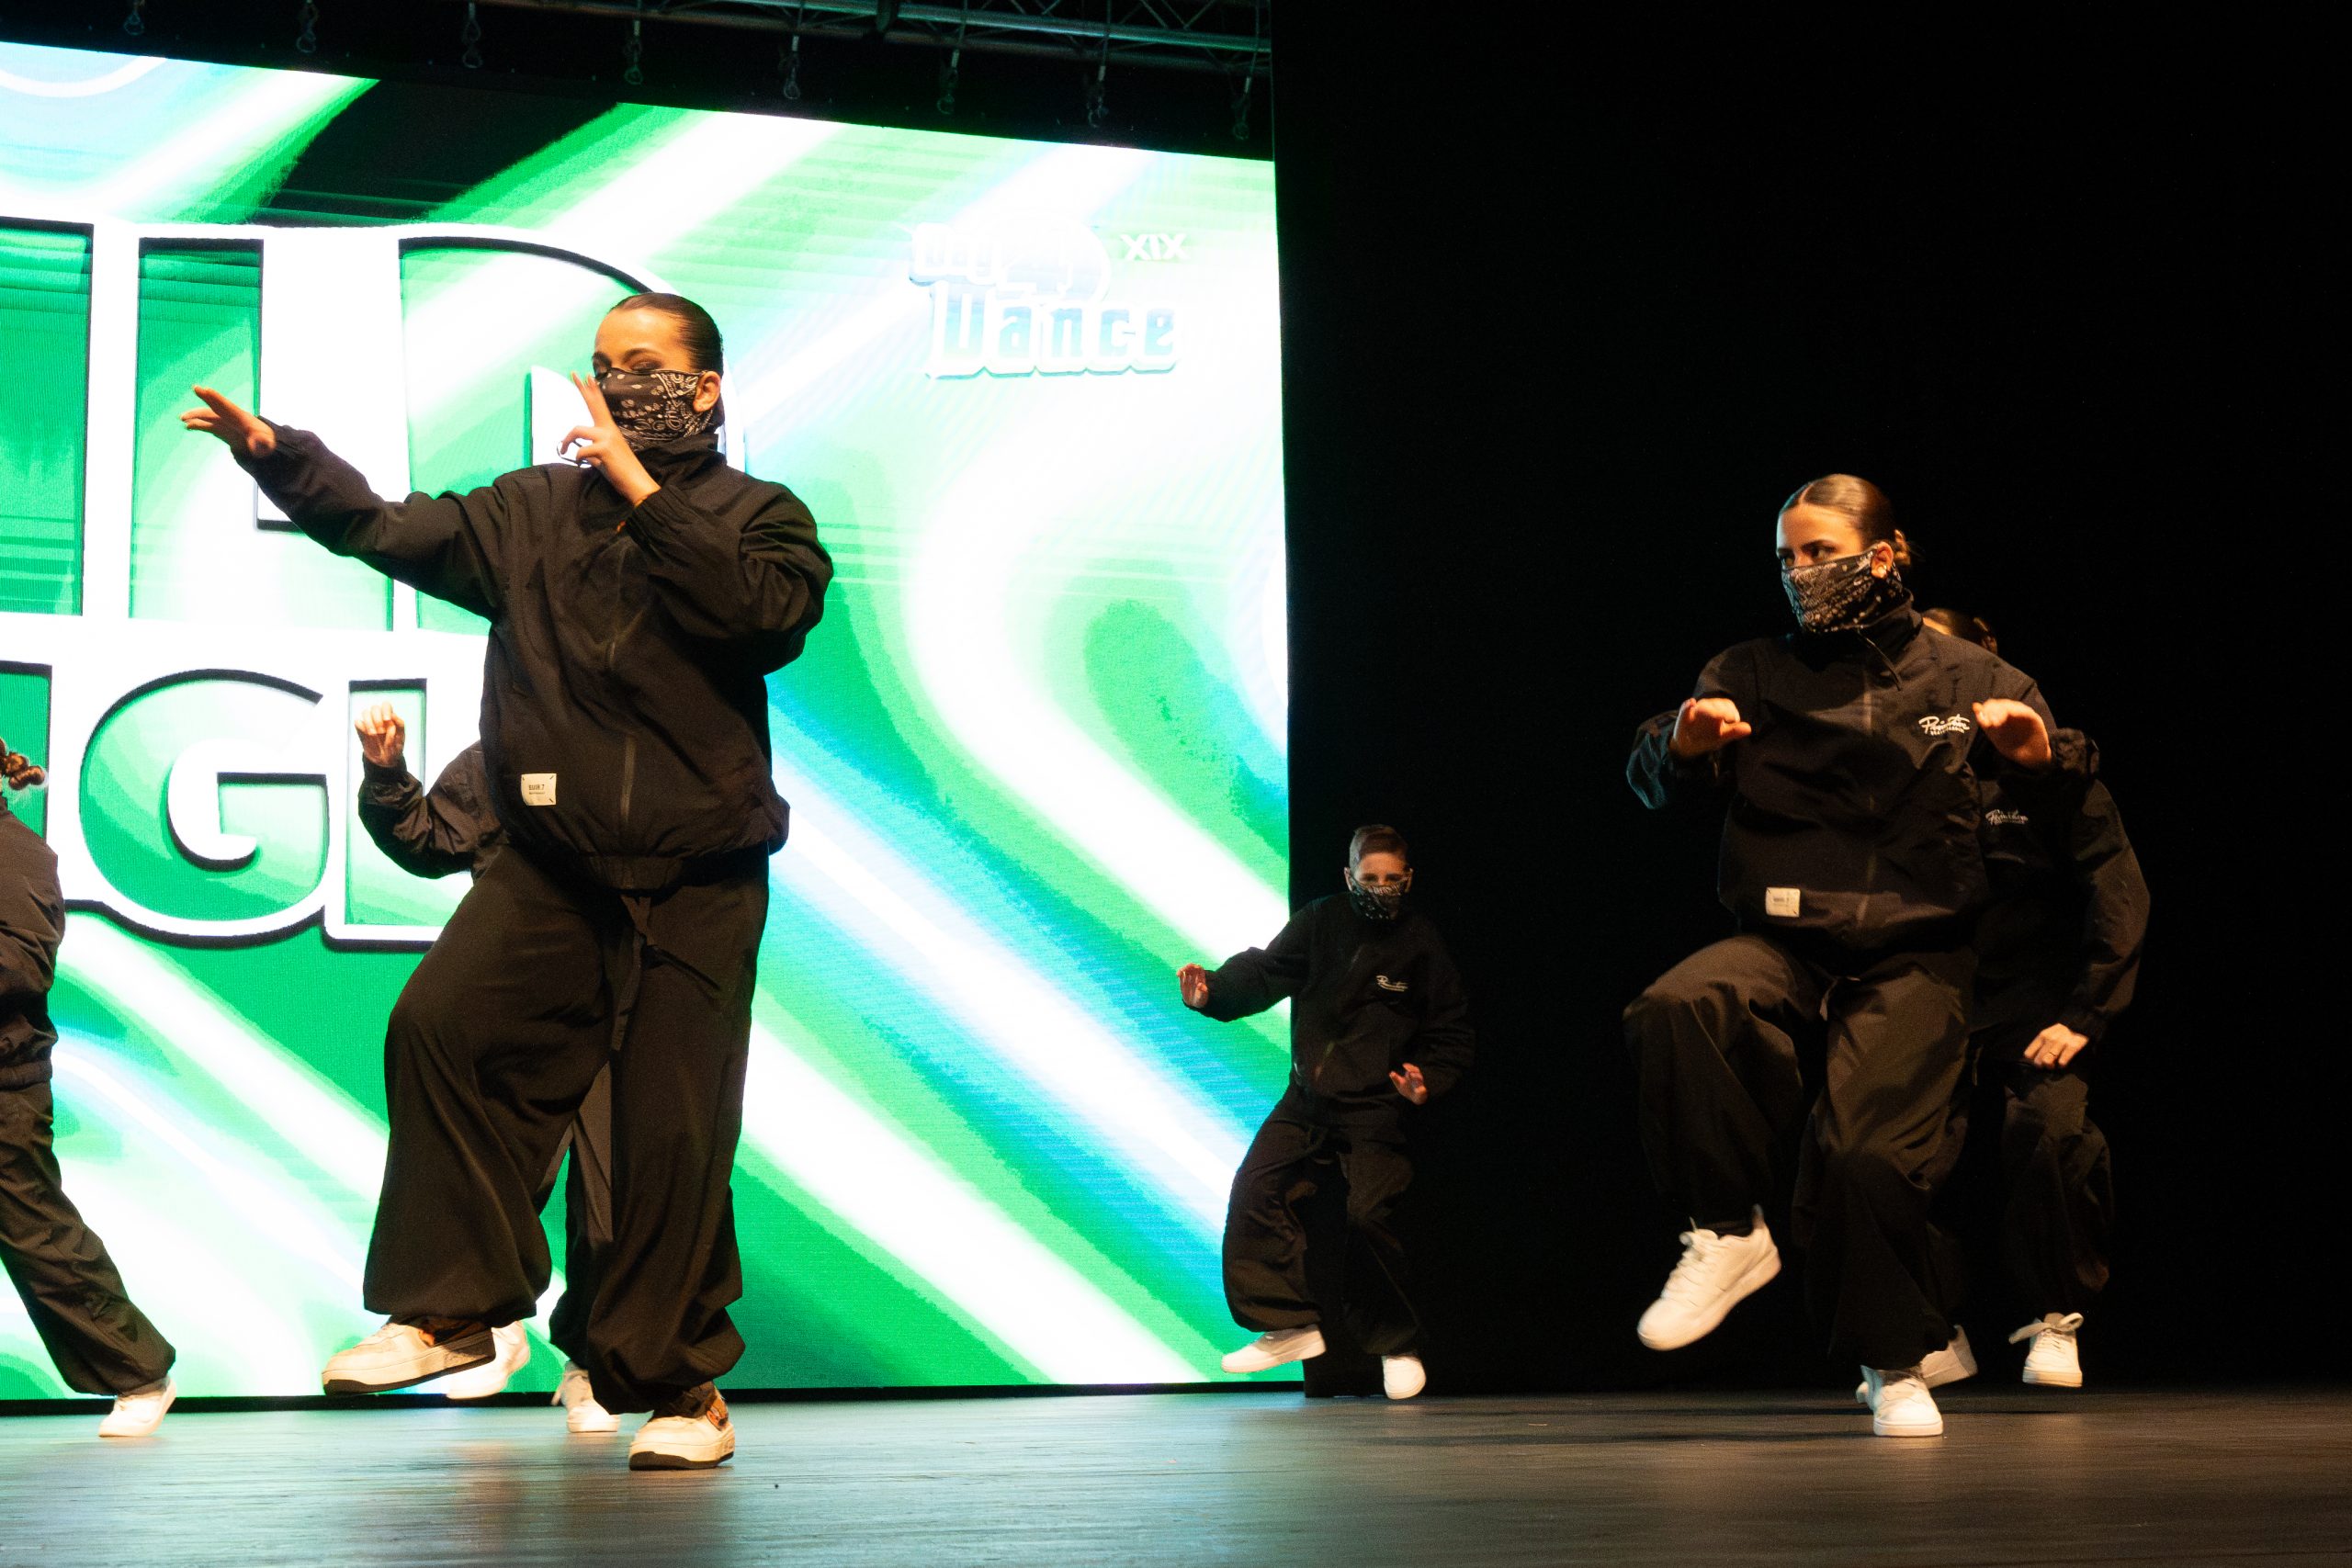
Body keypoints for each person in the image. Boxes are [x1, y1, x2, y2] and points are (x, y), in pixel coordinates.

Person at [183, 291, 831, 1471]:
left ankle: (682, 1391)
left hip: (699, 880)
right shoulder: (532, 511)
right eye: (602, 364)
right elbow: (385, 527)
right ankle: (453, 1314)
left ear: (706, 387)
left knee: (668, 1139)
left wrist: (643, 494)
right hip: (554, 868)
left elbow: (760, 619)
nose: (616, 384)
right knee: (442, 1029)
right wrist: (282, 459)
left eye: (643, 364)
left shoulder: (761, 517)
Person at [1623, 474, 2074, 1438]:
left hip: (1917, 955)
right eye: (1786, 557)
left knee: (1862, 1157)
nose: (1800, 573)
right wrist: (1682, 748)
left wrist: (2039, 768)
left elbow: (2063, 822)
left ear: (1885, 553)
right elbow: (1655, 779)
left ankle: (1894, 1362)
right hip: (1788, 940)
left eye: (1819, 552)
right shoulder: (1751, 670)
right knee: (1677, 1005)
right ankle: (1728, 1231)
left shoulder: (1974, 679)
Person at [351, 703, 617, 1435]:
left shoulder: (637, 751)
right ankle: (486, 1321)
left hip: (617, 995)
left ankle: (590, 1355)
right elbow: (428, 835)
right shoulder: (502, 756)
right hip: (520, 1003)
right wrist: (386, 773)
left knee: (612, 1200)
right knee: (489, 1172)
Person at [1920, 607, 2146, 1389]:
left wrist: (2087, 1011)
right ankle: (1929, 1331)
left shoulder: (2051, 771)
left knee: (2048, 1132)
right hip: (1933, 995)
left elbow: (2118, 893)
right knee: (1890, 1152)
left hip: (2036, 998)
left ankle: (2056, 1318)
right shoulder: (1906, 767)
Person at [1180, 825, 1474, 1401]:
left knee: (1368, 1217)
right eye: (1369, 878)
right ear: (1349, 876)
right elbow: (1264, 972)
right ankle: (1289, 1327)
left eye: (1391, 879)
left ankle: (1397, 1343)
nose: (1380, 888)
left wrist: (1427, 1084)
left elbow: (1452, 1033)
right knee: (1255, 1188)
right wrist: (1213, 992)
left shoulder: (1421, 943)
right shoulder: (1320, 922)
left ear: (1408, 879)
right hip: (1307, 1101)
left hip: (1375, 1108)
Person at [1, 738, 178, 1438]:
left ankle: (139, 1372)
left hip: (5, 1084)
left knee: (39, 1238)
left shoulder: (17, 853)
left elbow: (23, 964)